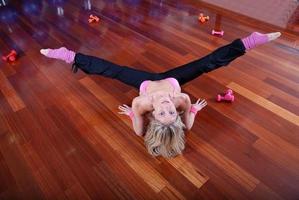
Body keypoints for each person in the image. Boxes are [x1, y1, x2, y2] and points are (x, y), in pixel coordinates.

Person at [40, 32, 281, 158]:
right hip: (173, 80)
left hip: (146, 84)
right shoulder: (181, 100)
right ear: (175, 112)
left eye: (161, 112)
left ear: (153, 114)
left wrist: (131, 113)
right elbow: (187, 122)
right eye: (171, 112)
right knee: (206, 63)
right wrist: (194, 110)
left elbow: (138, 130)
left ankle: (69, 56)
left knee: (111, 70)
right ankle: (249, 42)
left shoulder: (141, 103)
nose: (166, 106)